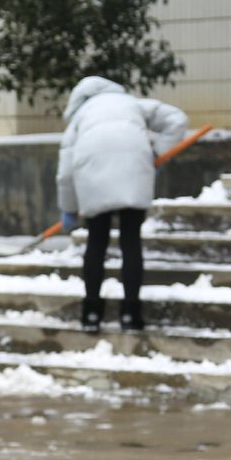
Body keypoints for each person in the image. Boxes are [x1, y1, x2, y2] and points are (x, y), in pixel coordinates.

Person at [55, 75, 188, 334]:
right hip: (133, 172)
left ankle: (91, 313)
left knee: (96, 243)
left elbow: (65, 172)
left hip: (93, 177)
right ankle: (131, 314)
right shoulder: (132, 104)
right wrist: (157, 152)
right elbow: (177, 119)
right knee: (130, 242)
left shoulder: (81, 117)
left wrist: (68, 209)